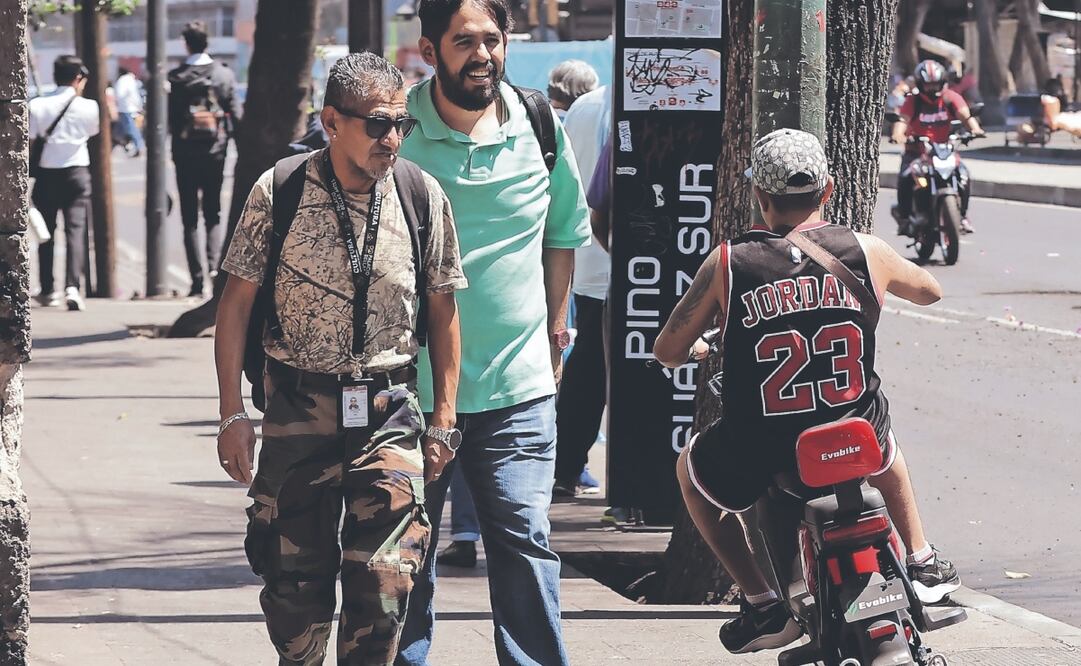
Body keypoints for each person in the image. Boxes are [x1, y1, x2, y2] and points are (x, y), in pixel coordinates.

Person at [654, 129, 962, 655]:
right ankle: (922, 558)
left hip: (766, 444)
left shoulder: (730, 263)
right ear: (828, 190)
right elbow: (931, 291)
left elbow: (667, 350)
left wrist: (703, 349)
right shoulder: (866, 249)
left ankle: (764, 603)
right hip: (853, 432)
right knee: (884, 435)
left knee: (690, 472)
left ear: (759, 197)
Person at [213, 52, 467, 664]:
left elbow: (443, 310)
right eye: (377, 124)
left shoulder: (421, 194)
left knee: (386, 583)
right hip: (296, 408)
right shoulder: (280, 191)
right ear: (332, 121)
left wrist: (444, 420)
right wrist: (230, 414)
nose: (392, 138)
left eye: (401, 123)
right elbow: (235, 306)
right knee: (293, 588)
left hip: (388, 410)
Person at [395, 0, 591, 663]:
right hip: (405, 393)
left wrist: (557, 326)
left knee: (525, 544)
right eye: (463, 42)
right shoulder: (396, 130)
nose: (481, 54)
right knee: (402, 553)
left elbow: (563, 232)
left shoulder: (538, 124)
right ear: (429, 50)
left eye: (491, 39)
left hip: (518, 388)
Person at [553, 84, 611, 497]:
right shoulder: (615, 107)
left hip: (588, 261)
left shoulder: (584, 108)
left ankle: (567, 466)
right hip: (616, 263)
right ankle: (569, 465)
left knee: (586, 371)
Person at [168, 20, 238, 297]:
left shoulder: (176, 78)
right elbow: (236, 112)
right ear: (207, 43)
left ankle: (196, 281)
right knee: (213, 213)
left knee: (189, 218)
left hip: (185, 153)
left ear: (186, 44)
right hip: (215, 151)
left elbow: (168, 120)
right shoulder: (223, 74)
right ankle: (214, 268)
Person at [29, 55, 99, 312]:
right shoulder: (89, 106)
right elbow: (92, 132)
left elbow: (33, 137)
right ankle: (73, 286)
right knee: (76, 231)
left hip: (47, 174)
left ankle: (48, 288)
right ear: (78, 78)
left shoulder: (37, 105)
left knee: (46, 232)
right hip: (77, 172)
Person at [890, 59, 984, 234]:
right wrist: (898, 135)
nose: (932, 89)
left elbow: (965, 115)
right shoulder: (913, 101)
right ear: (920, 84)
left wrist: (976, 130)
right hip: (917, 153)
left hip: (943, 151)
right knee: (905, 178)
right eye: (928, 85)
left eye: (936, 84)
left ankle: (962, 216)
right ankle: (904, 218)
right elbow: (903, 120)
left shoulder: (950, 97)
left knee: (963, 175)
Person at [114, 66, 145, 156]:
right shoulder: (129, 80)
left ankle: (138, 146)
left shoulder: (122, 80)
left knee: (129, 129)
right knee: (128, 129)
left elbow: (119, 94)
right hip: (129, 108)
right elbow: (134, 95)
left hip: (125, 108)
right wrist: (139, 106)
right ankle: (135, 146)